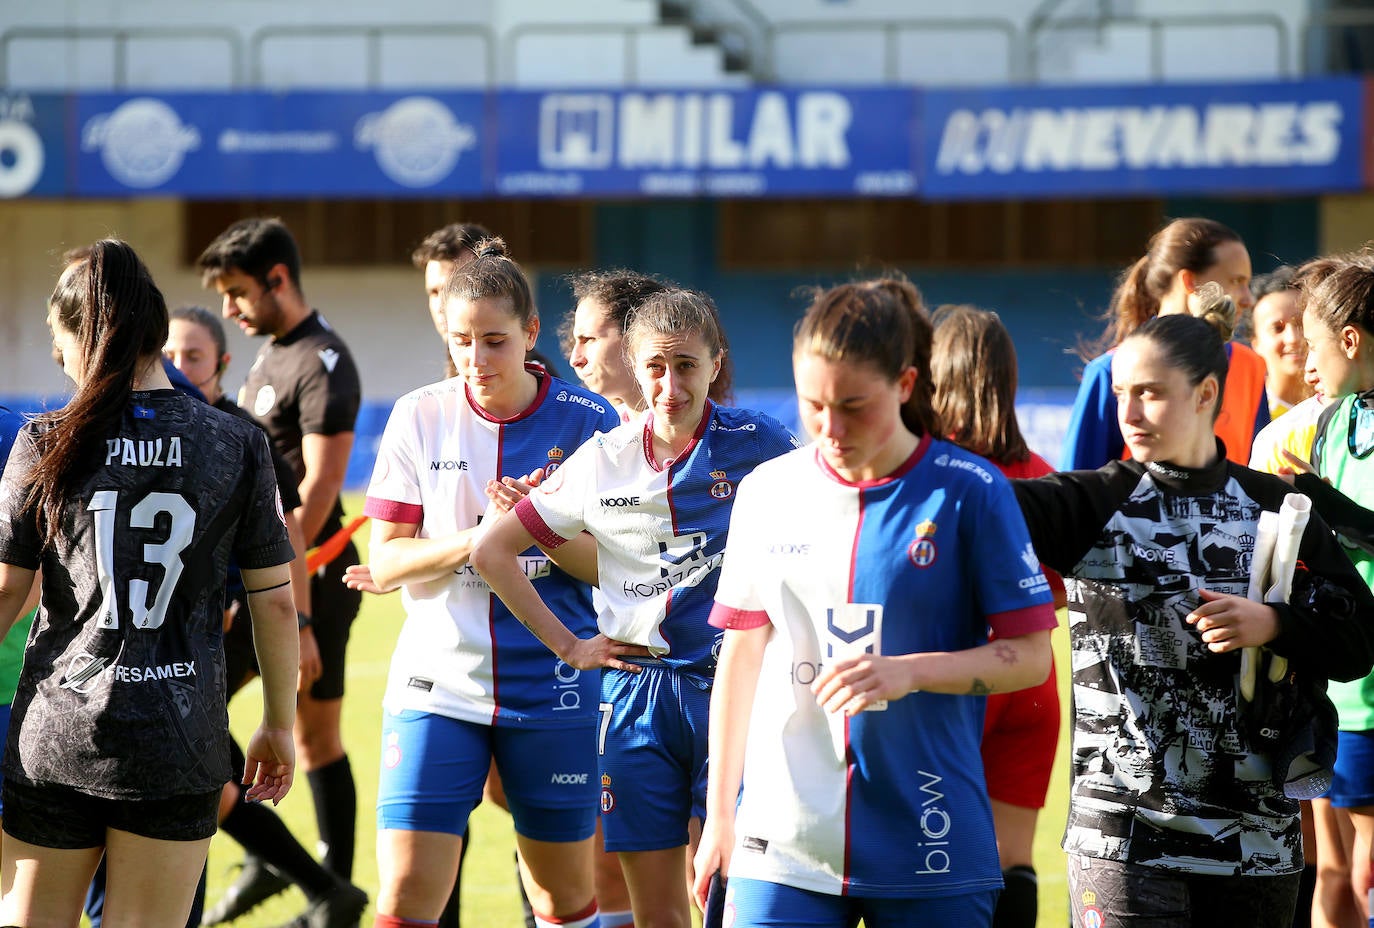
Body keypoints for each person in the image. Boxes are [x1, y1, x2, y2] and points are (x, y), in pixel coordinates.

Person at [686, 278, 1055, 928]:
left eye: (854, 406)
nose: (830, 427)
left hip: (933, 838)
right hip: (782, 842)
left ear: (906, 384)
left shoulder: (972, 493)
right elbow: (740, 661)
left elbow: (1028, 659)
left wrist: (912, 671)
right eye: (813, 404)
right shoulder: (768, 491)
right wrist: (720, 818)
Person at [1015, 312, 1374, 927]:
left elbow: (1359, 643)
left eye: (1150, 393)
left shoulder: (1277, 507)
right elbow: (970, 505)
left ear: (1207, 393)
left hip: (1257, 847)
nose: (1129, 413)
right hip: (1124, 842)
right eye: (1121, 393)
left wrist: (1276, 624)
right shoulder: (1090, 504)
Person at [472, 288, 797, 928]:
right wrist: (569, 645)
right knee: (657, 914)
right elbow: (491, 551)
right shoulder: (604, 459)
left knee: (731, 902)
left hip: (732, 693)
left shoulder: (758, 442)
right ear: (636, 363)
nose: (670, 385)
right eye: (655, 366)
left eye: (686, 366)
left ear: (715, 362)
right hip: (635, 698)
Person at [0, 239, 300, 928]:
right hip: (181, 740)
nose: (57, 357)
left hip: (58, 734)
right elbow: (275, 602)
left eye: (58, 339)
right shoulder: (234, 442)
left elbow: (3, 593)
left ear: (85, 336)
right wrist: (278, 723)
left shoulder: (45, 439)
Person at [360, 238, 619, 928]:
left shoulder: (593, 425)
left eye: (495, 341)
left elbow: (619, 568)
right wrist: (481, 542)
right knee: (407, 894)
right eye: (462, 340)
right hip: (436, 683)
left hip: (554, 682)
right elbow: (383, 562)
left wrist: (540, 529)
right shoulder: (419, 414)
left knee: (561, 898)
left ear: (532, 334)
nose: (476, 360)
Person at [163, 306, 368, 928]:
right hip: (189, 633)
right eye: (171, 354)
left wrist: (300, 625)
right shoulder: (161, 430)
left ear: (222, 365)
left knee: (198, 759)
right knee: (198, 759)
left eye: (194, 356)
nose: (180, 366)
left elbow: (289, 537)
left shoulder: (236, 435)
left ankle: (316, 883)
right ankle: (310, 881)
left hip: (243, 626)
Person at [930, 303, 1065, 928]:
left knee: (933, 859)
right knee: (1015, 861)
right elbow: (1057, 591)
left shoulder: (931, 474)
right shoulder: (1040, 473)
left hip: (956, 680)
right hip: (1032, 684)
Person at [1288, 253, 1374, 928]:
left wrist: (1322, 505)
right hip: (1334, 688)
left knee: (1367, 868)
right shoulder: (1330, 425)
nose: (1305, 364)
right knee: (1334, 870)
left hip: (1372, 696)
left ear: (1351, 341)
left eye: (1314, 346)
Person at [1063, 217, 1268, 469]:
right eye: (1236, 281)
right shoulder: (1109, 370)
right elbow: (1076, 487)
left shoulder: (1250, 367)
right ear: (1190, 281)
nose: (1248, 299)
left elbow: (1256, 476)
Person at [564, 270, 672, 421]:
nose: (575, 359)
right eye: (575, 341)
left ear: (635, 336)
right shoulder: (598, 434)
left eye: (588, 339)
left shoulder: (710, 432)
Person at [1251, 267, 1314, 419]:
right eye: (1277, 328)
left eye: (1301, 324)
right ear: (1256, 343)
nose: (1293, 338)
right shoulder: (1246, 414)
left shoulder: (1343, 409)